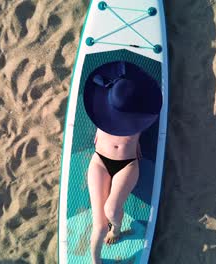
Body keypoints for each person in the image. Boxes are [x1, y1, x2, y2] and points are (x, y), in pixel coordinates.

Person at [83, 61, 162, 263]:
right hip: (100, 161)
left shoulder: (139, 110)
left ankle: (116, 230)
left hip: (127, 163)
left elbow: (145, 113)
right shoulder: (102, 105)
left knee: (111, 210)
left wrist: (136, 144)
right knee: (99, 226)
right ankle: (96, 260)